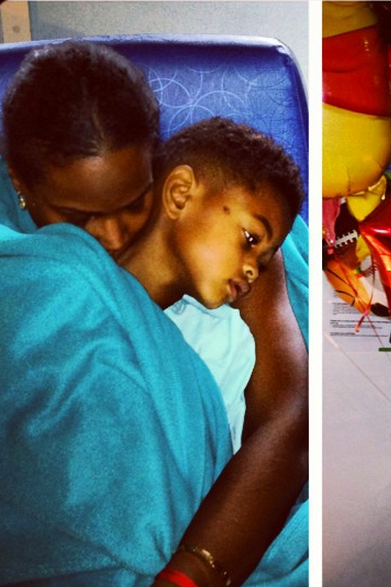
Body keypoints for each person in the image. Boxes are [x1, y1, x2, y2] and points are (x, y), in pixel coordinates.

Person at [0, 41, 308, 586]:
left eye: (134, 201)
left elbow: (290, 416)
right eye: (77, 216)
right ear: (20, 185)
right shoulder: (25, 264)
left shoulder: (228, 229)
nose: (112, 236)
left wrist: (191, 574)